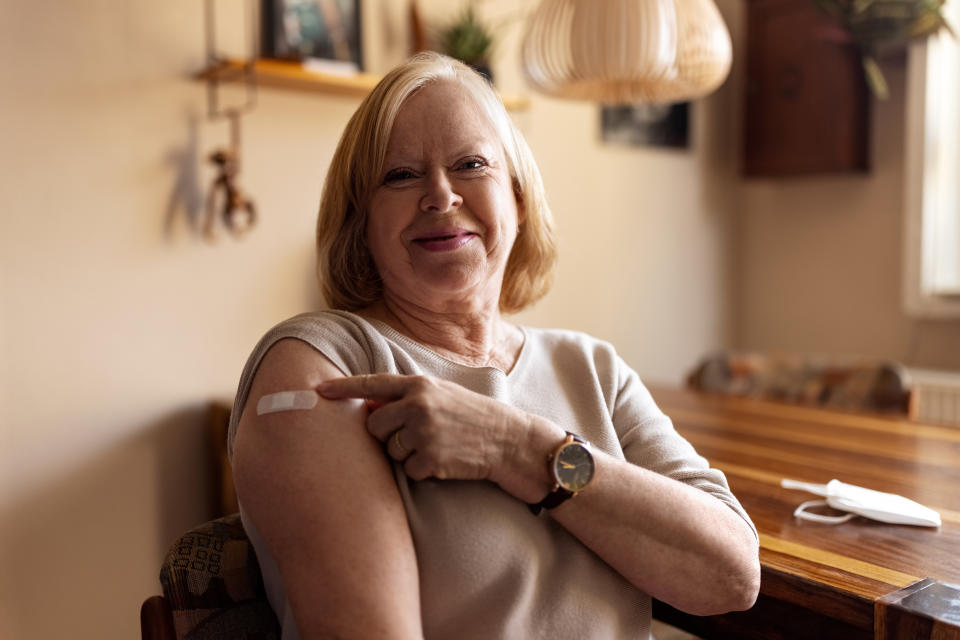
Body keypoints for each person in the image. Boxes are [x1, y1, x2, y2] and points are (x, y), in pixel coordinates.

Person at [228, 51, 760, 640]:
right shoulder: (322, 364)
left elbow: (732, 576)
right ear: (360, 222)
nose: (440, 195)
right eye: (399, 175)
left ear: (519, 199)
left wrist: (519, 448)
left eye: (470, 164)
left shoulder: (591, 369)